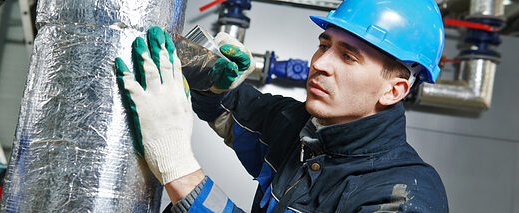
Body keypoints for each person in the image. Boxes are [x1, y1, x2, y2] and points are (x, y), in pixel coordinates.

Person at [114, 0, 449, 212]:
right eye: (324, 45)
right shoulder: (300, 127)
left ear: (394, 90)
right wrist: (215, 83)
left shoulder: (403, 197)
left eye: (348, 57)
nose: (320, 63)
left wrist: (181, 173)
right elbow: (231, 111)